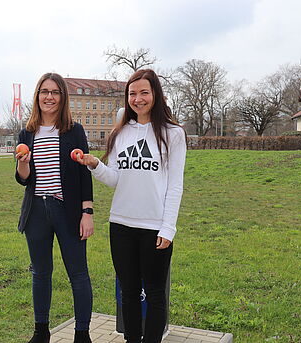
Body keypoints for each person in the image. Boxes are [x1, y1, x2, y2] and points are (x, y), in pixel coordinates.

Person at [76, 69, 186, 343]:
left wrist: (168, 228)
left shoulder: (173, 134)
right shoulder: (121, 132)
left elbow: (175, 186)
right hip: (121, 225)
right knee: (129, 291)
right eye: (132, 94)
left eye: (144, 92)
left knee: (156, 293)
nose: (138, 99)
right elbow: (115, 179)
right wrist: (95, 165)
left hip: (154, 227)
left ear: (155, 95)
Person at [15, 73, 94, 343]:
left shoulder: (74, 131)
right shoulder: (27, 132)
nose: (49, 97)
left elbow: (85, 176)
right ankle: (41, 332)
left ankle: (82, 334)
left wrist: (87, 213)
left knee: (78, 273)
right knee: (40, 273)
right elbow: (23, 178)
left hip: (67, 210)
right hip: (36, 210)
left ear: (63, 97)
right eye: (44, 91)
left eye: (55, 92)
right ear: (37, 96)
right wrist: (23, 163)